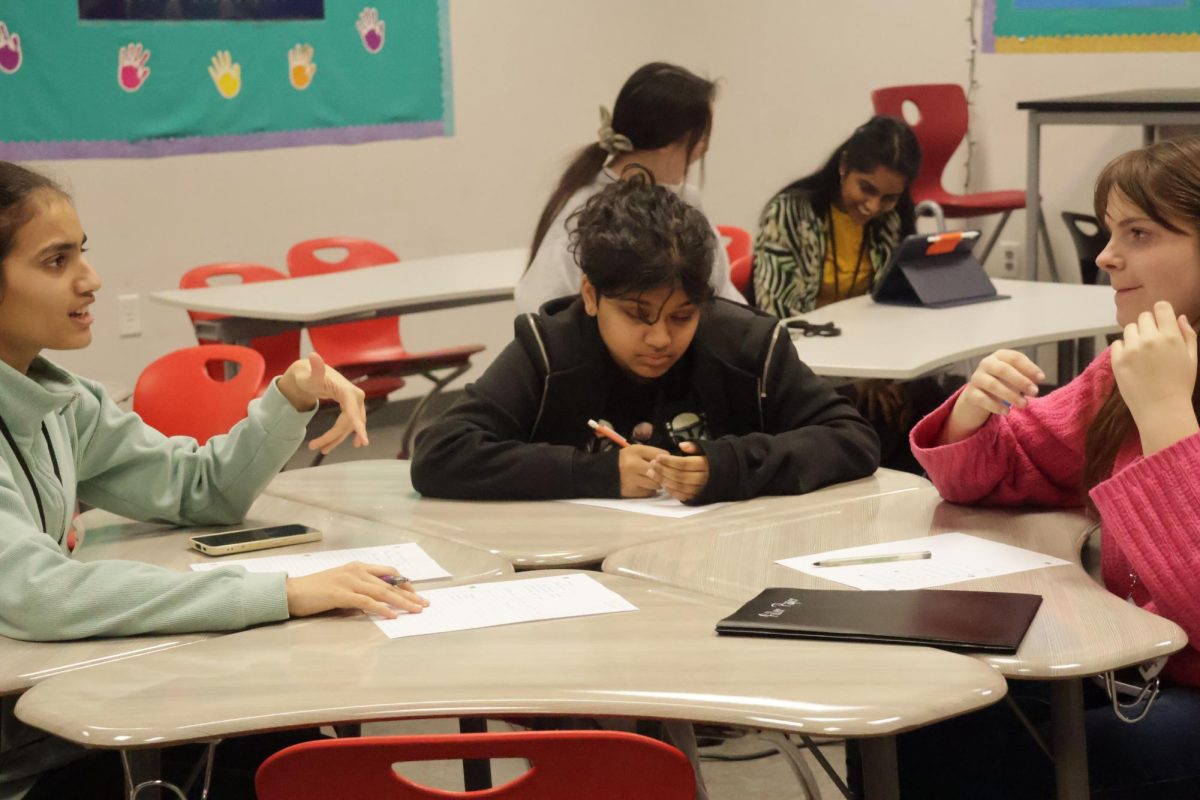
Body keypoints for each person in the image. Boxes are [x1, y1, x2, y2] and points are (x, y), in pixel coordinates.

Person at [0, 161, 429, 800]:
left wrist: (289, 397)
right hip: (30, 755)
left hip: (64, 711)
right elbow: (40, 594)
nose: (91, 280)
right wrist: (279, 592)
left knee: (293, 749)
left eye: (82, 254)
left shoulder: (62, 401)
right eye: (56, 262)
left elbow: (200, 489)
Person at [895, 136, 1200, 798]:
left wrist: (1168, 416)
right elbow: (1004, 471)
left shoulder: (1154, 379)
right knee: (922, 719)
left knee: (1032, 768)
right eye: (1110, 231)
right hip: (1137, 669)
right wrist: (972, 414)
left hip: (1178, 684)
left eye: (1139, 233)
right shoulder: (1135, 363)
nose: (1107, 256)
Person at [413, 177, 879, 505]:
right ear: (591, 295)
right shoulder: (550, 349)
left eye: (683, 316)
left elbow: (852, 439)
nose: (660, 338)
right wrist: (594, 472)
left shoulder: (747, 347)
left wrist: (731, 466)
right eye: (638, 315)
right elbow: (440, 453)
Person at [753, 115, 936, 473]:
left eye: (888, 197)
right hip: (810, 366)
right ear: (843, 166)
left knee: (933, 403)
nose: (872, 206)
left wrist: (882, 374)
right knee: (872, 418)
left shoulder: (893, 219)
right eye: (865, 188)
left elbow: (897, 309)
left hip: (874, 362)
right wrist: (861, 376)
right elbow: (779, 318)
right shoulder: (790, 212)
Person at [514, 61, 744, 314]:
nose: (705, 148)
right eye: (702, 136)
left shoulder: (684, 202)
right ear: (669, 140)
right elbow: (541, 309)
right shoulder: (584, 210)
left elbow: (722, 296)